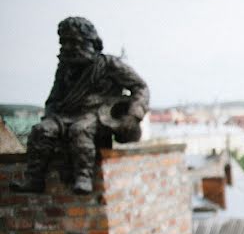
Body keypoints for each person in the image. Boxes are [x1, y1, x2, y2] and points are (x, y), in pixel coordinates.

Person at [12, 16, 149, 195]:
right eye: (65, 42)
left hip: (97, 115)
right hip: (65, 115)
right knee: (41, 130)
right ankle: (34, 179)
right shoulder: (64, 69)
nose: (69, 47)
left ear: (89, 42)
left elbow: (140, 87)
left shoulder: (108, 65)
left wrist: (133, 115)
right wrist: (51, 116)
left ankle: (83, 177)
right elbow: (54, 98)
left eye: (74, 42)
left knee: (81, 130)